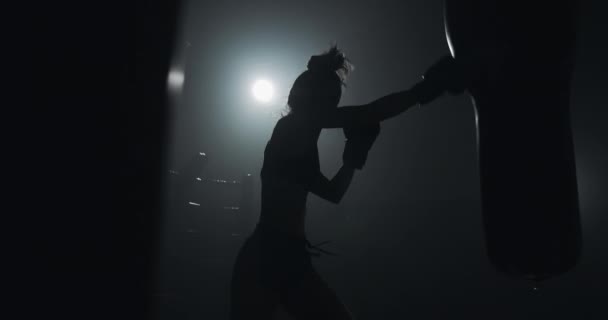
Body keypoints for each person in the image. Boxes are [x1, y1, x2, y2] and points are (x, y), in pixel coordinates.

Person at [229, 46, 463, 319]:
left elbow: (333, 193)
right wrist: (421, 92)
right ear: (318, 100)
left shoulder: (297, 141)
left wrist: (353, 159)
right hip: (271, 254)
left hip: (280, 254)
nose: (335, 108)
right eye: (332, 101)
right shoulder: (291, 129)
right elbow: (368, 113)